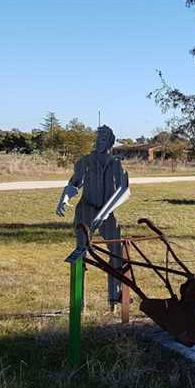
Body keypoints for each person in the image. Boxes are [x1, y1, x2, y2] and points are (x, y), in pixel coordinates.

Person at [56, 125, 126, 309]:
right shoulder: (86, 161)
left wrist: (106, 211)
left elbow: (124, 190)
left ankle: (114, 298)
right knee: (80, 253)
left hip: (108, 213)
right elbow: (74, 183)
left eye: (102, 139)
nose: (98, 142)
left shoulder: (116, 163)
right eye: (96, 138)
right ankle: (79, 304)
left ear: (110, 142)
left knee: (116, 253)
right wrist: (64, 198)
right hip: (86, 211)